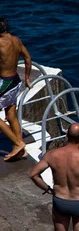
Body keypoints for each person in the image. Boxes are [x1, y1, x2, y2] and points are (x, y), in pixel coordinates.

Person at [0, 17, 32, 161]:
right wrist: (27, 77)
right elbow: (27, 58)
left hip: (5, 83)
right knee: (11, 116)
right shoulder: (16, 40)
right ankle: (20, 150)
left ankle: (18, 143)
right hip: (16, 81)